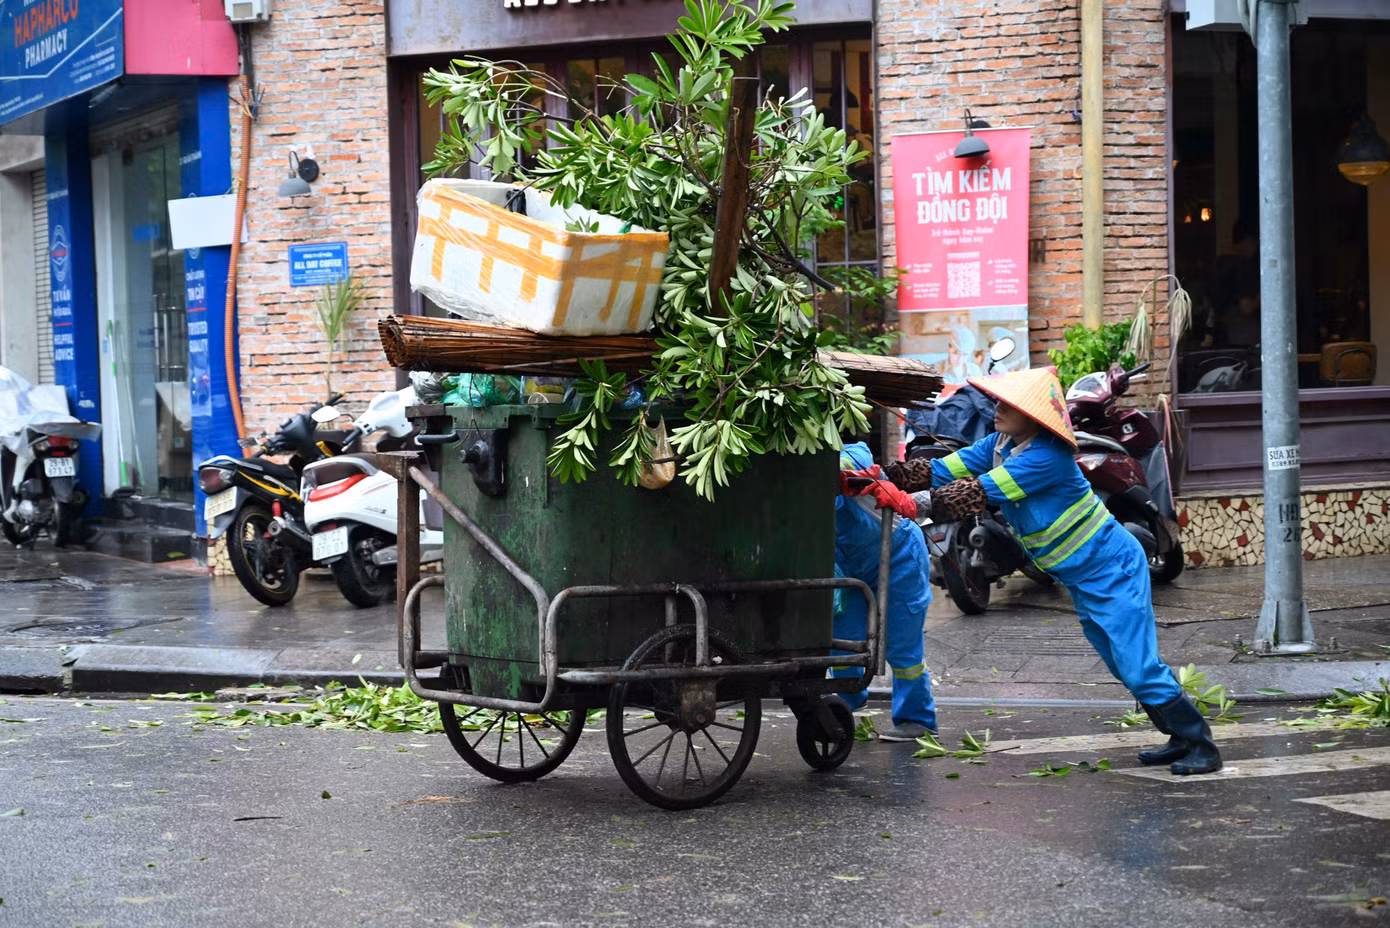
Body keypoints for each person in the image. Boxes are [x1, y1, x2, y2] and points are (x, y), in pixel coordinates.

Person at [873, 368, 1222, 776]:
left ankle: (1201, 745)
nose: (996, 408)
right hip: (1085, 577)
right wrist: (883, 474)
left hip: (1113, 570)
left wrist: (906, 502)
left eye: (1007, 405)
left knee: (1137, 665)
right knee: (1120, 663)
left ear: (1033, 415)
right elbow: (944, 469)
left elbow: (974, 493)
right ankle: (1178, 737)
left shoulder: (1046, 457)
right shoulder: (1002, 443)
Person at [834, 441, 939, 742]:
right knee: (840, 641)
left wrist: (842, 474)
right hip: (848, 565)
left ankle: (917, 718)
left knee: (901, 644)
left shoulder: (849, 454)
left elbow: (860, 456)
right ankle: (846, 703)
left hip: (899, 555)